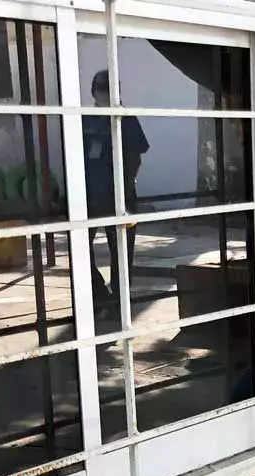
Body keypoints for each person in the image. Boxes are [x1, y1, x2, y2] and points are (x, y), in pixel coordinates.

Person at [85, 69, 150, 319]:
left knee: (121, 252)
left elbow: (136, 155)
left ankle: (118, 301)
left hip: (119, 195)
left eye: (107, 89)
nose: (103, 94)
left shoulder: (125, 118)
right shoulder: (86, 118)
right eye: (100, 89)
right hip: (90, 195)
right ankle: (99, 295)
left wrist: (126, 186)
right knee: (80, 249)